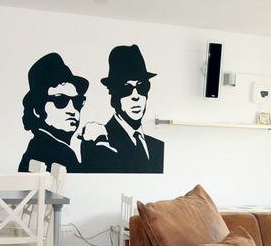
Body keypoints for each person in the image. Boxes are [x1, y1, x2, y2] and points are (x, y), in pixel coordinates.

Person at [80, 44, 164, 173]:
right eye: (126, 88)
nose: (136, 96)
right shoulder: (100, 142)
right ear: (113, 94)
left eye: (142, 87)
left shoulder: (157, 146)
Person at [17, 53, 89, 172]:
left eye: (78, 101)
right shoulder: (52, 153)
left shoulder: (43, 147)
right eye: (60, 100)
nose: (72, 110)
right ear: (37, 109)